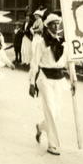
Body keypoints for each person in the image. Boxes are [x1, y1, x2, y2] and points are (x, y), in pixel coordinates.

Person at [29, 13, 73, 156]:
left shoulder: (63, 43)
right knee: (50, 110)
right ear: (47, 26)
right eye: (53, 23)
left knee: (56, 113)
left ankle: (40, 127)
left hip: (59, 79)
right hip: (45, 79)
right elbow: (34, 64)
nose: (56, 26)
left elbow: (70, 62)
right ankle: (53, 145)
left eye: (57, 23)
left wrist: (74, 80)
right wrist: (31, 82)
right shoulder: (41, 43)